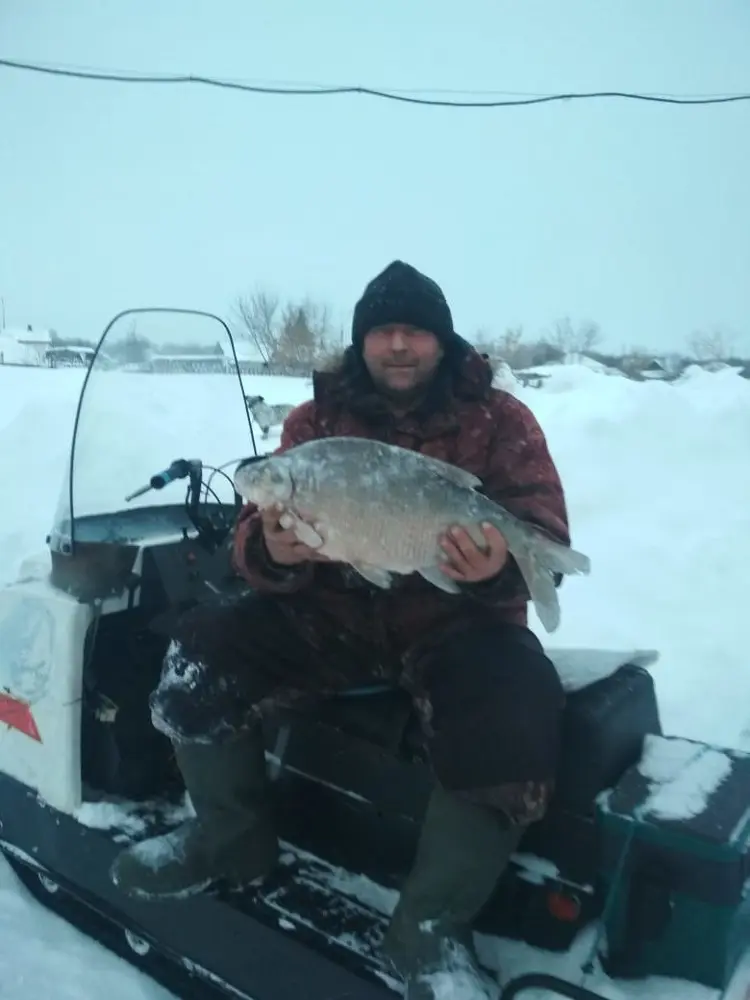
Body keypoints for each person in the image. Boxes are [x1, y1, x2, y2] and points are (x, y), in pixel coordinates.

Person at [110, 260, 571, 998]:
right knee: (200, 649)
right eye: (382, 332)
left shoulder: (502, 420)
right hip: (333, 617)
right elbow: (250, 538)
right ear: (361, 343)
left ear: (442, 342)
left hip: (455, 625)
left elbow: (540, 524)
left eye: (414, 331)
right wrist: (270, 549)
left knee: (516, 706)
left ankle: (428, 930)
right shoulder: (315, 423)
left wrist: (493, 570)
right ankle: (231, 845)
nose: (397, 345)